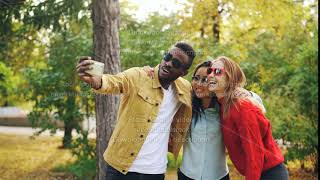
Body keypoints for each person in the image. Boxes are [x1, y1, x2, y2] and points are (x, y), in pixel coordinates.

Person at [76, 42, 196, 180]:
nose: (168, 63)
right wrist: (97, 81)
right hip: (120, 168)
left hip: (155, 172)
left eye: (176, 63)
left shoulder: (185, 89)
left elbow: (204, 92)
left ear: (184, 72)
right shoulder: (138, 76)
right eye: (167, 56)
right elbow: (114, 82)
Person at [144, 60, 265, 180]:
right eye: (196, 78)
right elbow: (168, 88)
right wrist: (153, 72)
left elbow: (258, 106)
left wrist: (246, 93)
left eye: (205, 80)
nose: (199, 84)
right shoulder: (185, 107)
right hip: (187, 175)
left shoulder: (225, 108)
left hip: (219, 176)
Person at [207, 56, 289, 180]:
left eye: (218, 72)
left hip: (269, 174)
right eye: (210, 71)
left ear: (230, 78)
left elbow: (254, 154)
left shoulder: (242, 107)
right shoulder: (222, 105)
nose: (211, 75)